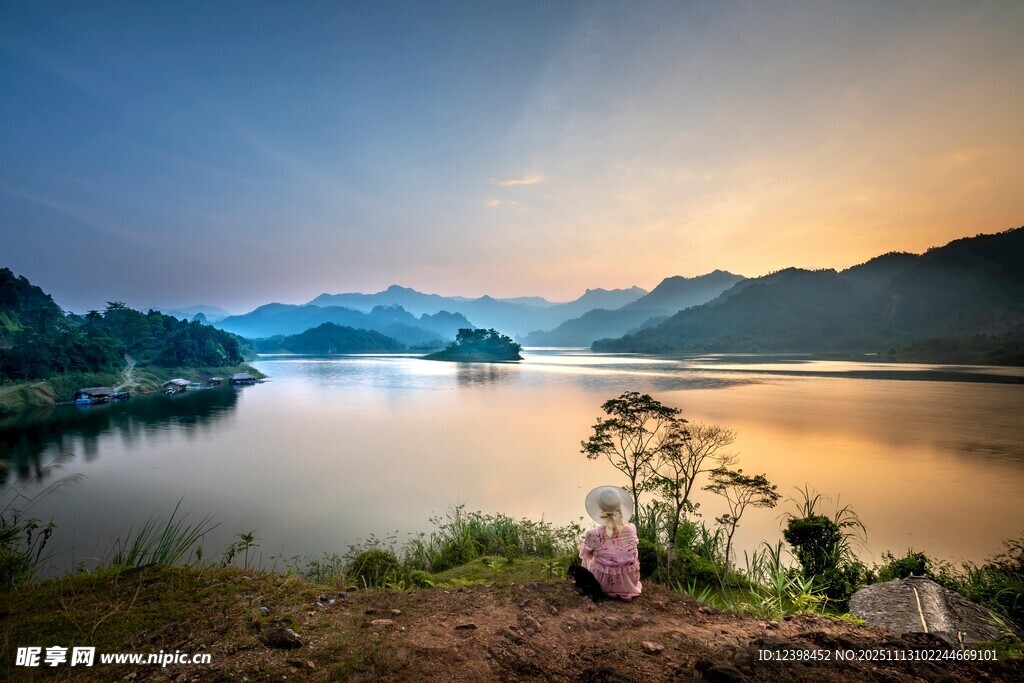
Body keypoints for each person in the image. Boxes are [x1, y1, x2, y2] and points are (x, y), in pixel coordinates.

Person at [578, 485, 642, 601]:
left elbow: (586, 555)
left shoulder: (593, 534)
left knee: (587, 555)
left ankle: (610, 589)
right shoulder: (631, 529)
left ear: (600, 510)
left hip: (603, 582)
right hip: (629, 581)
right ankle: (625, 591)